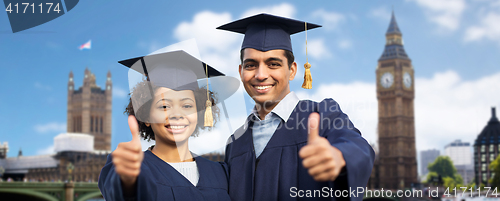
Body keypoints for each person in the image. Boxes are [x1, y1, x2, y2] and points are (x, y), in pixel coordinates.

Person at [217, 13, 375, 200]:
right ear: (241, 71)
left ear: (292, 71)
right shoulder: (235, 143)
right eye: (251, 65)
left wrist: (339, 157)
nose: (260, 75)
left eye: (273, 64)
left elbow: (359, 147)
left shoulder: (322, 116)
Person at [98, 50, 239, 200]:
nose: (177, 114)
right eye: (164, 106)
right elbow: (119, 190)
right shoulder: (134, 167)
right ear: (145, 115)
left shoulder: (220, 173)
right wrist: (126, 180)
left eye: (187, 106)